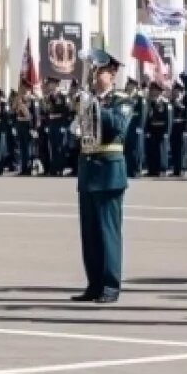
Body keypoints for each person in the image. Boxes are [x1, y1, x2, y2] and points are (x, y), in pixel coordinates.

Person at [71, 50, 133, 304]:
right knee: (90, 233)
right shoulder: (87, 98)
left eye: (101, 72)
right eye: (94, 71)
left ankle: (110, 285)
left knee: (108, 232)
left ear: (113, 75)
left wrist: (93, 106)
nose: (95, 76)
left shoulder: (123, 100)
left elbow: (118, 126)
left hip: (109, 170)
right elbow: (79, 130)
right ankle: (94, 283)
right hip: (88, 169)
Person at [143, 81, 172, 177]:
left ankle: (161, 169)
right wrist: (146, 130)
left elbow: (168, 119)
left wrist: (167, 132)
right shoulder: (149, 102)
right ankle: (152, 170)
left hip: (161, 130)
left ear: (159, 91)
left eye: (154, 90)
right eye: (151, 90)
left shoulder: (164, 103)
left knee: (161, 151)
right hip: (151, 130)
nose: (152, 92)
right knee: (151, 150)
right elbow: (146, 117)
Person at [169, 82, 187, 177]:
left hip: (182, 128)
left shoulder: (185, 101)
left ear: (181, 92)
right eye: (174, 92)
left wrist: (186, 130)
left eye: (177, 92)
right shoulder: (171, 101)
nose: (176, 94)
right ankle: (175, 169)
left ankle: (182, 169)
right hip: (173, 128)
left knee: (182, 150)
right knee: (174, 149)